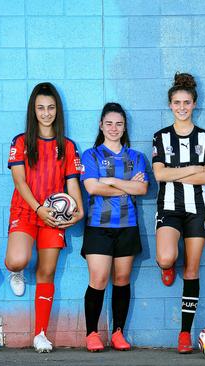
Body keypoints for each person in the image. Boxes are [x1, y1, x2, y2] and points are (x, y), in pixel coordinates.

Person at [3, 82, 84, 353]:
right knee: (17, 260)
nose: (46, 113)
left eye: (50, 108)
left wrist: (78, 210)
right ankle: (16, 272)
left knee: (46, 272)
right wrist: (38, 208)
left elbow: (72, 184)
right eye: (40, 108)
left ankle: (40, 333)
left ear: (57, 110)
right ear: (33, 110)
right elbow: (19, 181)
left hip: (54, 214)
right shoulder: (21, 141)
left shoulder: (68, 146)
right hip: (27, 210)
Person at [151, 73, 205, 353]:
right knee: (166, 256)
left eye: (186, 102)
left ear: (194, 104)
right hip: (169, 207)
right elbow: (158, 174)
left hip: (196, 210)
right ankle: (167, 267)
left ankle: (184, 334)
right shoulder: (161, 136)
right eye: (176, 102)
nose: (181, 107)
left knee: (192, 270)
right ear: (170, 105)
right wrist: (193, 169)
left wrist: (174, 173)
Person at [80, 102, 148, 352]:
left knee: (121, 279)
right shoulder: (91, 155)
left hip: (127, 225)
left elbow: (141, 189)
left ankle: (118, 332)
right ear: (101, 125)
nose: (113, 128)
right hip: (99, 225)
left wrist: (110, 180)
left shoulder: (136, 157)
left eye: (119, 124)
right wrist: (125, 184)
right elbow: (92, 187)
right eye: (109, 123)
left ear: (124, 127)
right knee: (98, 278)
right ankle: (91, 333)